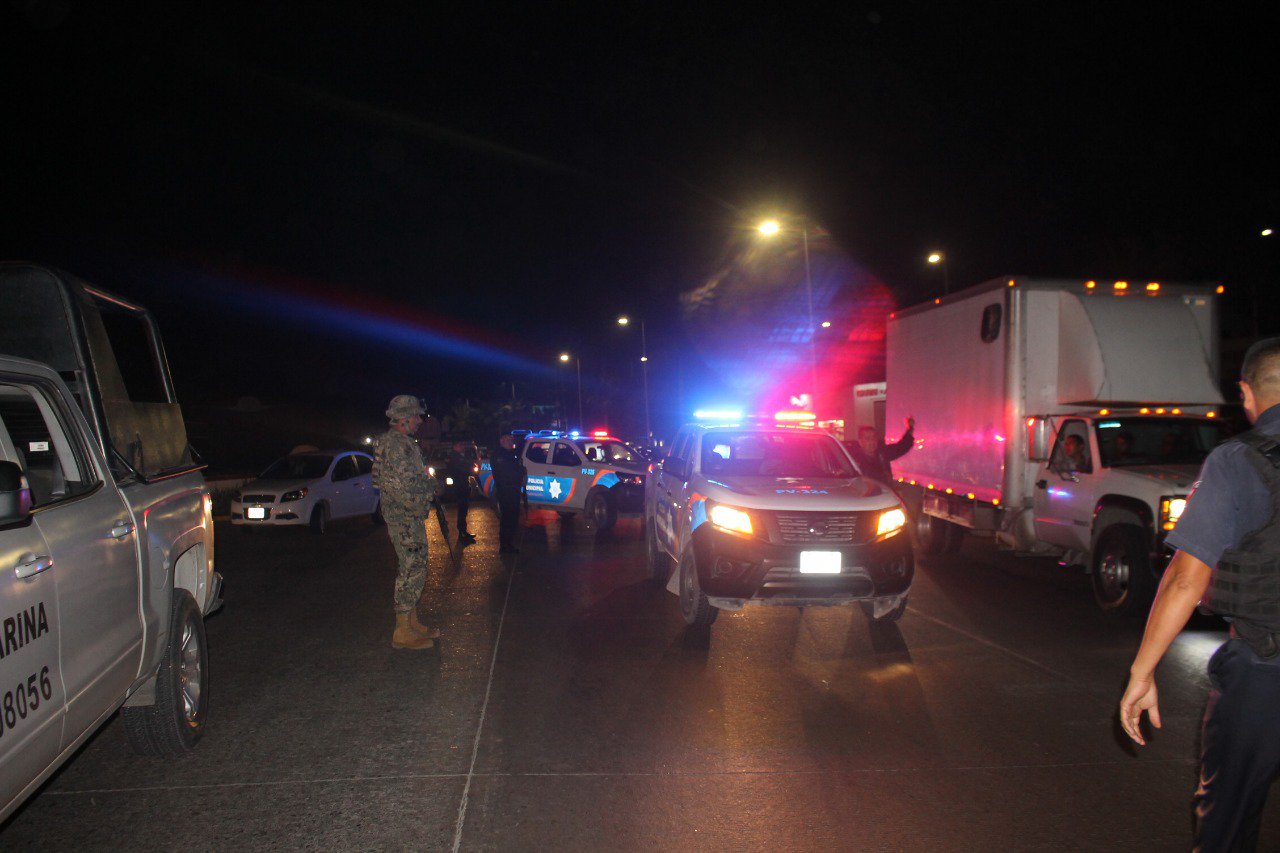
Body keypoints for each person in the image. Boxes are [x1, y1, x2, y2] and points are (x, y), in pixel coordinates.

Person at [1120, 337, 1280, 850]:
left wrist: (1142, 672)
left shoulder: (1238, 462)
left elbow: (1186, 579)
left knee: (1227, 821)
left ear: (1246, 394)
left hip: (1266, 674)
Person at [372, 395, 440, 651]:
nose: (420, 421)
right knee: (411, 567)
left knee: (417, 565)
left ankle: (412, 621)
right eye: (417, 416)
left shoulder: (402, 442)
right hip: (404, 516)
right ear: (404, 419)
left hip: (407, 515)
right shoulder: (396, 446)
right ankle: (402, 630)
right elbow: (402, 488)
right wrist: (428, 491)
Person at [847, 416, 915, 483]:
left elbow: (902, 447)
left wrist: (910, 428)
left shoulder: (882, 453)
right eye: (867, 438)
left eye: (874, 437)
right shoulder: (853, 459)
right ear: (860, 441)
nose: (872, 441)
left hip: (884, 492)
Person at [491, 433, 525, 553]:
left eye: (511, 439)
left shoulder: (510, 453)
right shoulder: (499, 455)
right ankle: (505, 546)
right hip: (506, 490)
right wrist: (519, 471)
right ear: (502, 440)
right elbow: (507, 472)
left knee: (513, 518)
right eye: (508, 439)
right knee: (507, 519)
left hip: (513, 489)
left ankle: (508, 544)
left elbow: (518, 467)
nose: (511, 441)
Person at [445, 439, 477, 544]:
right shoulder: (454, 457)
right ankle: (462, 533)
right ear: (455, 446)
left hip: (463, 485)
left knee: (464, 510)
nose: (462, 446)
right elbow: (462, 469)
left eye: (463, 444)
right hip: (460, 486)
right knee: (462, 510)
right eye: (460, 444)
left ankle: (463, 532)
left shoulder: (459, 456)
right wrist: (469, 469)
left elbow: (469, 465)